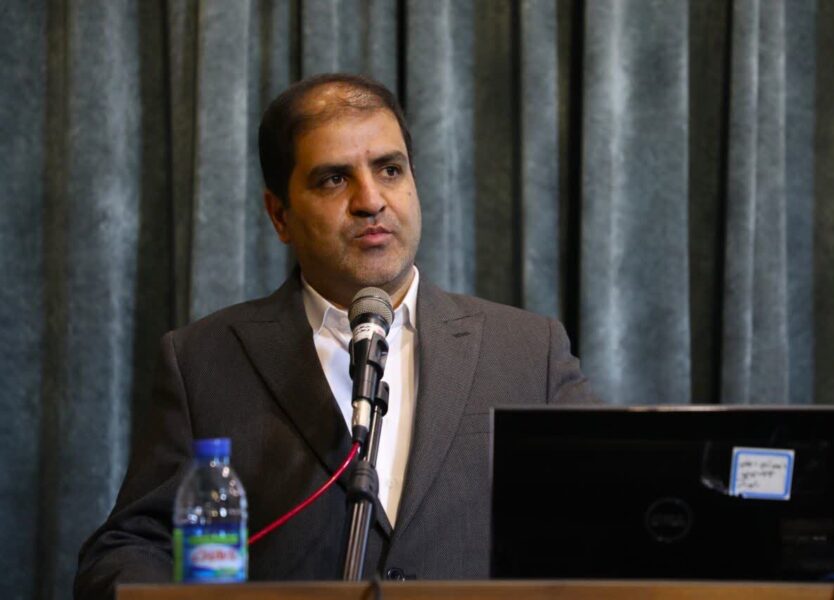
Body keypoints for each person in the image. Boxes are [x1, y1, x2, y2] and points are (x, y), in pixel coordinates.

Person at [75, 73, 593, 599]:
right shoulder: (202, 360)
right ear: (280, 215)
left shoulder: (530, 351)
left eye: (390, 169)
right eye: (333, 180)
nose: (371, 200)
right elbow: (127, 548)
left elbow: (607, 526)